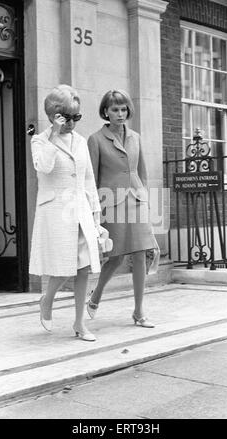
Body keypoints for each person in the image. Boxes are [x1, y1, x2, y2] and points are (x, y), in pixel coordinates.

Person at [29, 84, 102, 342]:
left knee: (84, 268)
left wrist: (96, 217)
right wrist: (53, 134)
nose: (72, 123)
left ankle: (79, 324)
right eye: (66, 117)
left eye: (76, 117)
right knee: (64, 268)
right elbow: (44, 168)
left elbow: (88, 180)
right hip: (56, 213)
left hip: (80, 210)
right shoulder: (39, 140)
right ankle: (46, 301)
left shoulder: (80, 141)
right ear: (52, 115)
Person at [86, 89, 160, 328]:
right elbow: (92, 179)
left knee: (140, 255)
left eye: (123, 109)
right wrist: (94, 211)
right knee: (115, 257)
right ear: (105, 111)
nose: (120, 114)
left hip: (136, 200)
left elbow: (142, 173)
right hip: (110, 202)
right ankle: (96, 295)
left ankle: (139, 312)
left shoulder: (135, 137)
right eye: (115, 109)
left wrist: (145, 200)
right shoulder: (95, 139)